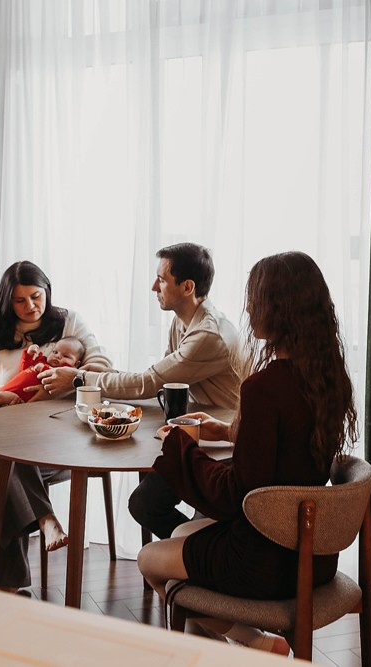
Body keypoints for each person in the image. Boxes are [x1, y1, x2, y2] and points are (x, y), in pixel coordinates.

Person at [136, 251, 359, 654]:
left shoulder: (262, 389)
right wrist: (228, 431)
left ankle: (252, 642)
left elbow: (238, 495)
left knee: (150, 559)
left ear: (279, 308)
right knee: (184, 531)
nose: (249, 308)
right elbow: (288, 451)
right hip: (313, 552)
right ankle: (232, 651)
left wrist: (181, 447)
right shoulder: (330, 379)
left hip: (263, 558)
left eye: (255, 298)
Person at [38, 243, 242, 539]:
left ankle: (200, 553)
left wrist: (79, 378)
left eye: (161, 279)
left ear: (187, 287)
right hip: (196, 429)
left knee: (147, 504)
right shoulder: (182, 321)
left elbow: (149, 382)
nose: (152, 286)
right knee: (144, 503)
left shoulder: (208, 335)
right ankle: (195, 553)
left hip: (224, 441)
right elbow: (160, 381)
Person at [0, 261, 111, 593]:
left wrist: (69, 380)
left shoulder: (68, 322)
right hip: (15, 438)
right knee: (6, 455)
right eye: (21, 300)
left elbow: (103, 365)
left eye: (36, 296)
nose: (31, 306)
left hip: (62, 437)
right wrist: (4, 397)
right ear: (7, 303)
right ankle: (46, 519)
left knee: (0, 464)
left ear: (47, 291)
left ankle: (8, 586)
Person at [0, 337, 85, 417]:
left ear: (76, 364)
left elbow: (53, 378)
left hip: (17, 397)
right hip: (7, 389)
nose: (58, 356)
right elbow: (25, 368)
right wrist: (28, 355)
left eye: (65, 356)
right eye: (55, 352)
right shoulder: (42, 361)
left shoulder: (63, 372)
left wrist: (43, 369)